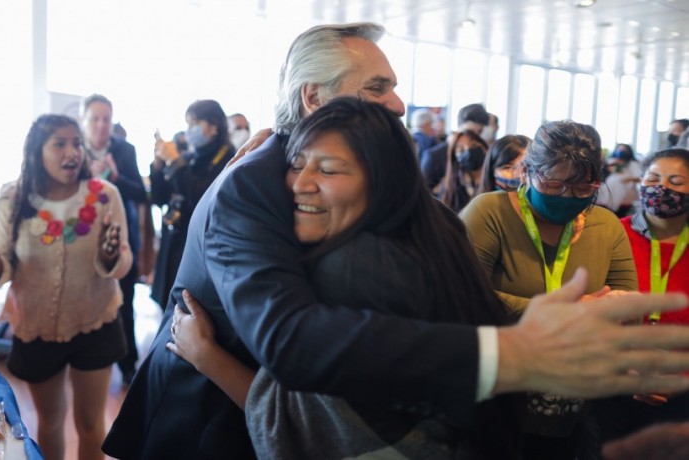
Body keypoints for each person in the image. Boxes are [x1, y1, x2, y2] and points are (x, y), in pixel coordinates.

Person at [104, 22, 689, 460]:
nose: (399, 104)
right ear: (314, 98)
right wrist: (514, 353)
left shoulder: (377, 181)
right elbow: (290, 339)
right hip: (214, 420)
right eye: (377, 87)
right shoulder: (256, 182)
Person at [167, 97, 520, 459]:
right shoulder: (433, 233)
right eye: (296, 164)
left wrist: (207, 357)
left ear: (381, 178)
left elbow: (308, 429)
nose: (300, 183)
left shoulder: (350, 270)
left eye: (329, 169)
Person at [0, 114, 132, 460]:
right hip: (36, 328)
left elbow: (123, 262)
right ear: (37, 151)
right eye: (60, 144)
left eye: (76, 143)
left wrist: (110, 255)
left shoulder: (104, 195)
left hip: (96, 320)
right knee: (50, 422)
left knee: (91, 423)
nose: (73, 152)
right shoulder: (13, 198)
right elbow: (4, 264)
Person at [459, 120, 639, 460]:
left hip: (573, 402)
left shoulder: (606, 226)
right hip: (496, 395)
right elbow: (461, 296)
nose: (566, 196)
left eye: (583, 188)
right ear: (527, 171)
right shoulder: (490, 213)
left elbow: (627, 308)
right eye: (553, 183)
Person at [592, 148, 689, 446]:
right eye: (654, 178)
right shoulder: (611, 236)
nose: (663, 188)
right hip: (609, 387)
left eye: (676, 181)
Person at [81, 93, 147, 385]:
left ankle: (128, 365)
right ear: (84, 121)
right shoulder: (73, 150)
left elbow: (140, 194)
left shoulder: (124, 149)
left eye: (106, 119)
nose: (100, 125)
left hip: (120, 237)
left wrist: (116, 177)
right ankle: (84, 364)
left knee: (125, 302)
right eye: (95, 119)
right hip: (81, 240)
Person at [148, 99, 234, 309]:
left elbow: (201, 196)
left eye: (194, 123)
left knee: (184, 306)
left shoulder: (228, 158)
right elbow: (159, 198)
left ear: (213, 125)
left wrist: (176, 162)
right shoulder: (190, 155)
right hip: (173, 238)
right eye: (187, 124)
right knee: (165, 302)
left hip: (196, 242)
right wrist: (158, 166)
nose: (189, 131)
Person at [420, 103, 489, 190]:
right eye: (476, 131)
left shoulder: (480, 155)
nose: (476, 137)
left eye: (479, 133)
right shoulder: (434, 156)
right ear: (461, 126)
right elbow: (423, 191)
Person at [441, 128, 489, 211]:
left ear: (483, 146)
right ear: (455, 157)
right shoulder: (453, 187)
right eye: (461, 149)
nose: (468, 151)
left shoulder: (495, 181)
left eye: (473, 145)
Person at [597, 143, 642, 218]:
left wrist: (627, 179)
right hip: (608, 196)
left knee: (619, 216)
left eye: (623, 150)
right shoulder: (611, 161)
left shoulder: (632, 163)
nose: (620, 151)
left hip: (625, 197)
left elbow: (639, 177)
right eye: (619, 149)